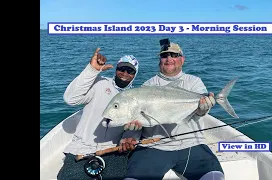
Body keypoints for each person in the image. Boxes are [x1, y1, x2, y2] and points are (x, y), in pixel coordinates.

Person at [122, 39, 225, 180]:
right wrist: (131, 132)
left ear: (182, 59)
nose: (169, 58)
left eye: (174, 55)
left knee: (215, 177)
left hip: (191, 144)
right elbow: (138, 119)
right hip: (154, 146)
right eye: (164, 55)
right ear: (159, 60)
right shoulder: (148, 85)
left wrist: (202, 109)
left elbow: (200, 113)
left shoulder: (194, 82)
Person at [57, 48, 142, 180]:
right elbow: (70, 99)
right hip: (82, 148)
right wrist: (92, 70)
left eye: (130, 71)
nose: (125, 73)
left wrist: (129, 137)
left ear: (135, 75)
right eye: (121, 69)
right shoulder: (100, 83)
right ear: (116, 69)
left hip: (115, 151)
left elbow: (136, 125)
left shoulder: (136, 96)